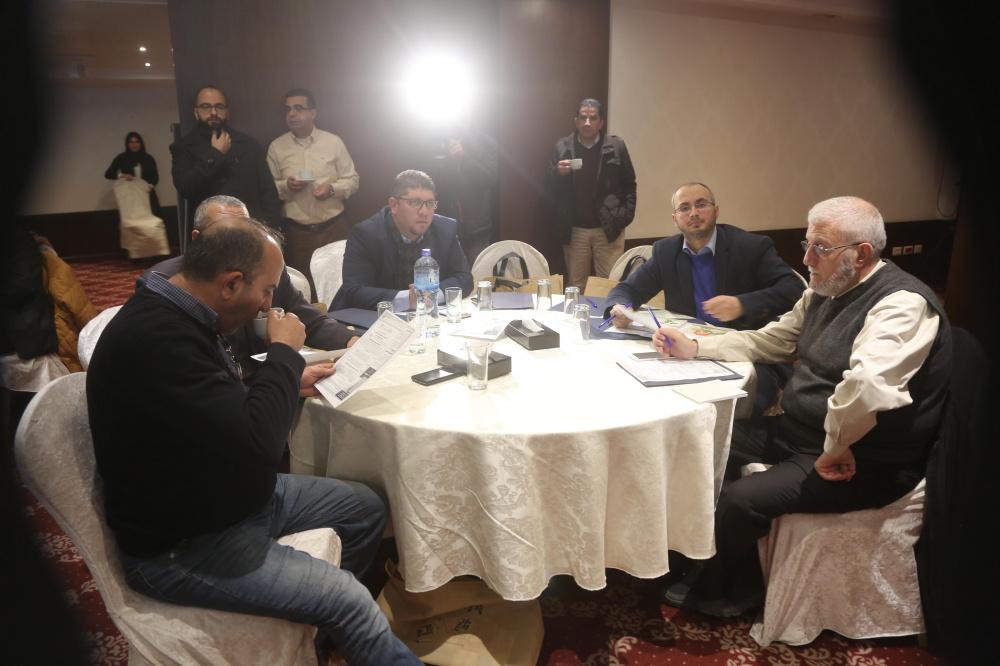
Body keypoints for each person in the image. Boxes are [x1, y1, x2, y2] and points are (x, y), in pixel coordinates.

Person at [87, 218, 420, 664]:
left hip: (232, 497)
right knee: (350, 601)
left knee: (366, 507)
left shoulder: (181, 310)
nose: (267, 305)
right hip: (185, 543)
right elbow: (260, 445)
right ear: (230, 283)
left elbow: (210, 405)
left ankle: (318, 641)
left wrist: (286, 381)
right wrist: (283, 353)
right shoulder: (155, 338)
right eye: (266, 291)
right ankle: (343, 621)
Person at [654, 196, 951, 618]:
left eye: (820, 248)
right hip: (803, 433)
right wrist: (697, 347)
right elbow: (772, 339)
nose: (807, 259)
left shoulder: (901, 304)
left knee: (741, 499)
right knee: (700, 437)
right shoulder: (825, 290)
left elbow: (868, 387)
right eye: (806, 244)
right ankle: (698, 550)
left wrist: (836, 446)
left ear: (862, 254)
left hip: (862, 458)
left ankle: (733, 588)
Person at [606, 182, 805, 415]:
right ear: (675, 218)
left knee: (725, 411)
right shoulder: (666, 252)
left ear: (716, 211)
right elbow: (628, 289)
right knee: (657, 402)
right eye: (685, 208)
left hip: (747, 355)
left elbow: (794, 289)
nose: (693, 213)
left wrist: (743, 304)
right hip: (687, 352)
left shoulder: (750, 247)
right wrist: (619, 307)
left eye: (701, 205)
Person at [143, 195, 358, 378]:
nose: (242, 245)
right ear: (197, 239)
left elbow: (305, 316)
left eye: (246, 233)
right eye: (227, 236)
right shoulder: (168, 287)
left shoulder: (266, 267)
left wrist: (350, 340)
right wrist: (283, 371)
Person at [331, 169, 473, 311]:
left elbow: (464, 278)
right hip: (371, 318)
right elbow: (353, 291)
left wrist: (430, 295)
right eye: (415, 202)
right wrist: (408, 299)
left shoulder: (445, 229)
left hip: (425, 316)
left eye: (430, 203)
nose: (424, 212)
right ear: (394, 205)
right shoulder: (366, 234)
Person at [266, 88, 359, 289]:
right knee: (305, 288)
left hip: (334, 228)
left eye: (298, 108)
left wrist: (332, 190)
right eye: (288, 109)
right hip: (298, 233)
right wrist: (287, 186)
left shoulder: (333, 142)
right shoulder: (276, 147)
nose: (292, 114)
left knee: (341, 283)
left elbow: (352, 180)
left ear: (313, 113)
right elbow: (268, 188)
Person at [544, 98, 637, 290]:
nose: (587, 123)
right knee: (576, 285)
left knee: (609, 285)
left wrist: (624, 216)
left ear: (601, 123)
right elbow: (548, 185)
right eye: (583, 117)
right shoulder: (563, 146)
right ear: (576, 121)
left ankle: (608, 312)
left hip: (609, 228)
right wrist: (557, 172)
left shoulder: (616, 146)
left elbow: (629, 184)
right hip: (575, 229)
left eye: (593, 118)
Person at [170, 86, 283, 238]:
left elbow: (268, 191)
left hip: (250, 231)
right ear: (196, 112)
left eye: (219, 106)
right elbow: (186, 188)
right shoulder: (183, 147)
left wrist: (272, 232)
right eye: (206, 106)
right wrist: (215, 154)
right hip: (210, 233)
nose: (213, 112)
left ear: (227, 111)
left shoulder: (248, 144)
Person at [424, 127, 498, 264]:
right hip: (445, 223)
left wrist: (463, 157)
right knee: (448, 270)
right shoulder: (438, 140)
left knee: (477, 271)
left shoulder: (483, 142)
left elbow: (489, 177)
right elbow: (430, 180)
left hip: (477, 226)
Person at [104, 131, 161, 216]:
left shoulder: (148, 158)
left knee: (151, 218)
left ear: (141, 143)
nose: (134, 144)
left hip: (147, 194)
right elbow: (108, 174)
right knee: (133, 220)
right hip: (129, 195)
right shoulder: (121, 158)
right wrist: (122, 176)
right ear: (127, 144)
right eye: (131, 142)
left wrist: (148, 187)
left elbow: (155, 177)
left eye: (137, 142)